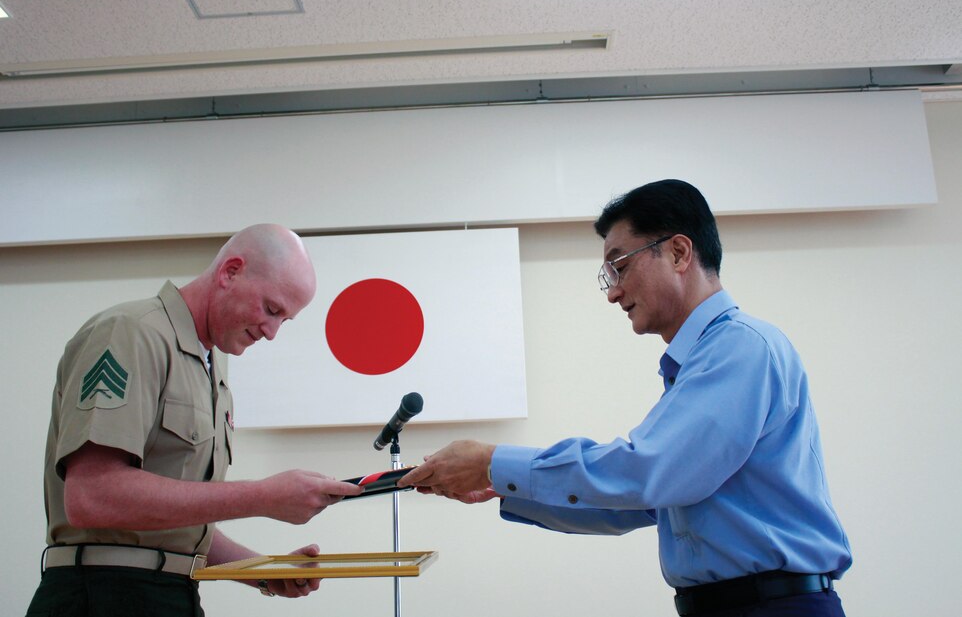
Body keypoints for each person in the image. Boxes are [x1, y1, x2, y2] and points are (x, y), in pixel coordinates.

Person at [399, 180, 853, 617]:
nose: (613, 291)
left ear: (678, 252)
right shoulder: (703, 362)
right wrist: (501, 484)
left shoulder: (740, 347)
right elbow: (643, 502)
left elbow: (649, 471)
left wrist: (493, 461)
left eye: (621, 266)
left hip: (771, 606)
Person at [26, 224, 361, 617]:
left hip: (172, 595)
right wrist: (263, 496)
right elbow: (92, 497)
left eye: (284, 320)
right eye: (271, 310)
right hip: (102, 594)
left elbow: (169, 527)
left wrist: (265, 572)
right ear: (229, 271)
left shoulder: (212, 367)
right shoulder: (132, 334)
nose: (271, 333)